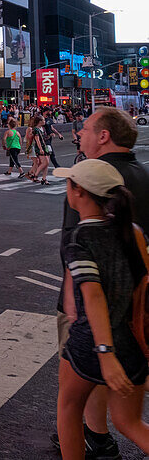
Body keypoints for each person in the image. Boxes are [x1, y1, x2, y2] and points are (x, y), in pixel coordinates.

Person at [56, 107, 149, 456]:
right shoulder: (133, 231)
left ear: (79, 193)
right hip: (132, 336)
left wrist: (104, 353)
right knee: (129, 423)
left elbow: (91, 298)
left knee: (68, 408)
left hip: (93, 340)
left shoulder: (83, 239)